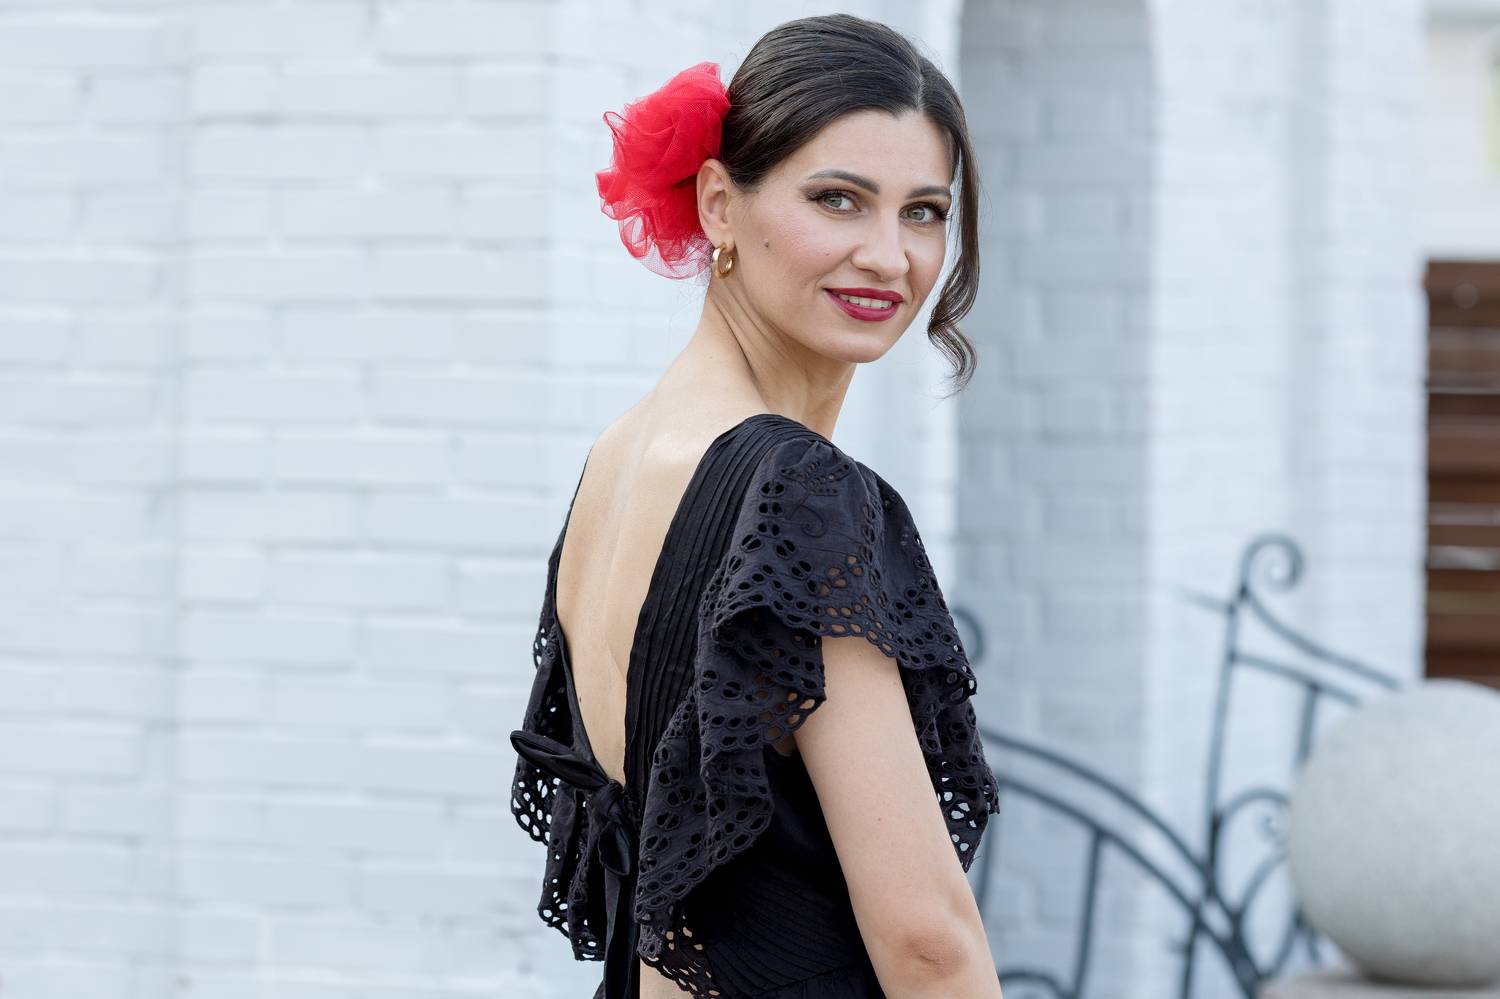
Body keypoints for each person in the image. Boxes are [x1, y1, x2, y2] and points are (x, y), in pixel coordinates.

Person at [510, 13, 1004, 998]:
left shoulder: (621, 455)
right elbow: (925, 940)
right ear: (719, 204)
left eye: (922, 211)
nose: (889, 256)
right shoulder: (799, 492)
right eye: (838, 199)